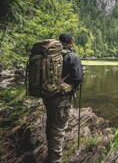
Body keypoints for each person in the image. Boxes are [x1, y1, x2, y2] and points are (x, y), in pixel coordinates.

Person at [43, 33, 83, 163]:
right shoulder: (72, 56)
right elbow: (78, 78)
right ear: (70, 42)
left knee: (50, 124)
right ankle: (55, 160)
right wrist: (71, 89)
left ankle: (50, 156)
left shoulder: (50, 55)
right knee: (58, 129)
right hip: (61, 98)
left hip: (47, 95)